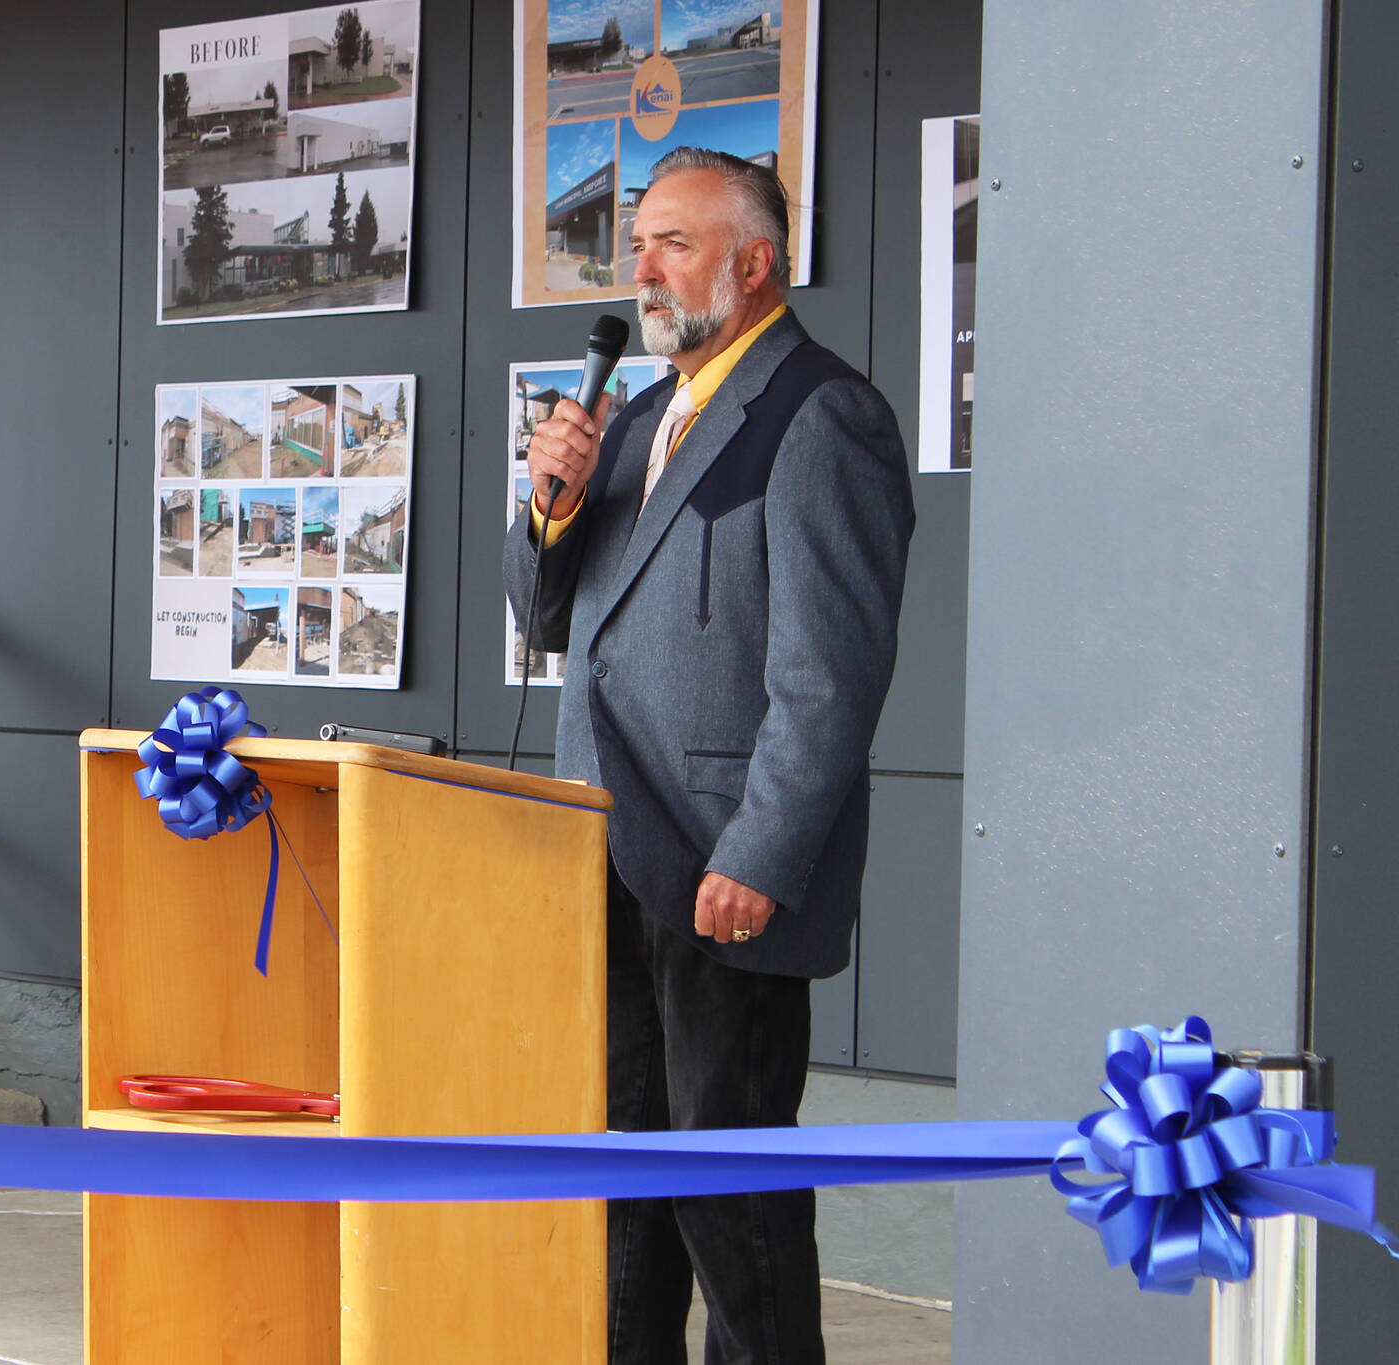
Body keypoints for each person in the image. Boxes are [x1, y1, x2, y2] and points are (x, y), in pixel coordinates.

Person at [505, 149, 915, 1362]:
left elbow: (829, 676)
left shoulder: (818, 413)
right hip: (610, 852)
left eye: (672, 244)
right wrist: (549, 504)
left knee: (728, 1200)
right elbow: (542, 618)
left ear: (753, 263)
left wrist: (762, 853)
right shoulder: (630, 420)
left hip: (718, 867)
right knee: (628, 1187)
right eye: (636, 245)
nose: (641, 268)